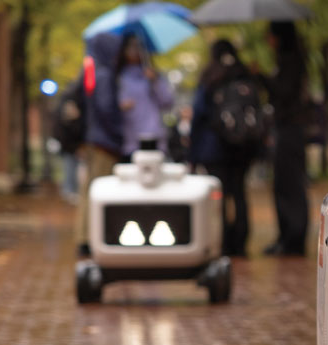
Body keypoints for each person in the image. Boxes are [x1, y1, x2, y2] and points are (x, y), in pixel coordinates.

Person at [189, 38, 264, 257]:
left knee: (218, 196)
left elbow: (199, 114)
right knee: (239, 193)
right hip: (243, 147)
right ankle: (240, 242)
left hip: (214, 148)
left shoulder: (210, 77)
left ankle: (222, 242)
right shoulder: (244, 75)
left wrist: (192, 153)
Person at [73, 31, 127, 256]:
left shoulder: (92, 72)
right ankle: (90, 237)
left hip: (94, 138)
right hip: (104, 141)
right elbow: (105, 109)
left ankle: (84, 236)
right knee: (98, 190)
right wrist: (119, 133)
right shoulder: (104, 74)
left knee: (89, 189)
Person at [264, 20, 310, 256]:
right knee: (284, 184)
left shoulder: (291, 62)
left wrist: (262, 78)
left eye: (270, 35)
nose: (268, 40)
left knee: (290, 185)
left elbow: (283, 91)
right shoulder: (289, 61)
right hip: (288, 130)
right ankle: (287, 237)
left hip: (290, 131)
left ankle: (293, 239)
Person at [116, 32, 176, 157]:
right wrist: (120, 106)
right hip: (129, 138)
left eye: (138, 46)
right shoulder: (118, 76)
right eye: (131, 46)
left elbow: (167, 102)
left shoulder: (152, 75)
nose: (135, 50)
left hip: (154, 136)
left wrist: (155, 81)